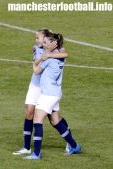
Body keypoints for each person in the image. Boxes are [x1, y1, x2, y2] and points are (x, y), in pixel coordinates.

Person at [23, 32, 81, 160]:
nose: (43, 44)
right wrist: (47, 54)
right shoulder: (59, 57)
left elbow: (36, 70)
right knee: (55, 121)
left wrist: (38, 60)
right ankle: (74, 146)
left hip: (48, 94)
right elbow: (64, 53)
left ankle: (36, 154)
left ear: (52, 45)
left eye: (45, 43)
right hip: (55, 93)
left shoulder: (49, 59)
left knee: (37, 120)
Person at [13, 29, 70, 156]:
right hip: (36, 85)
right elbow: (36, 63)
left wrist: (49, 54)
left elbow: (65, 54)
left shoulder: (56, 48)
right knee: (29, 112)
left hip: (48, 88)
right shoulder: (36, 48)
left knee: (54, 119)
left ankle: (70, 142)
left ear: (45, 39)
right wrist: (44, 55)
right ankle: (26, 147)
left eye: (38, 38)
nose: (36, 40)